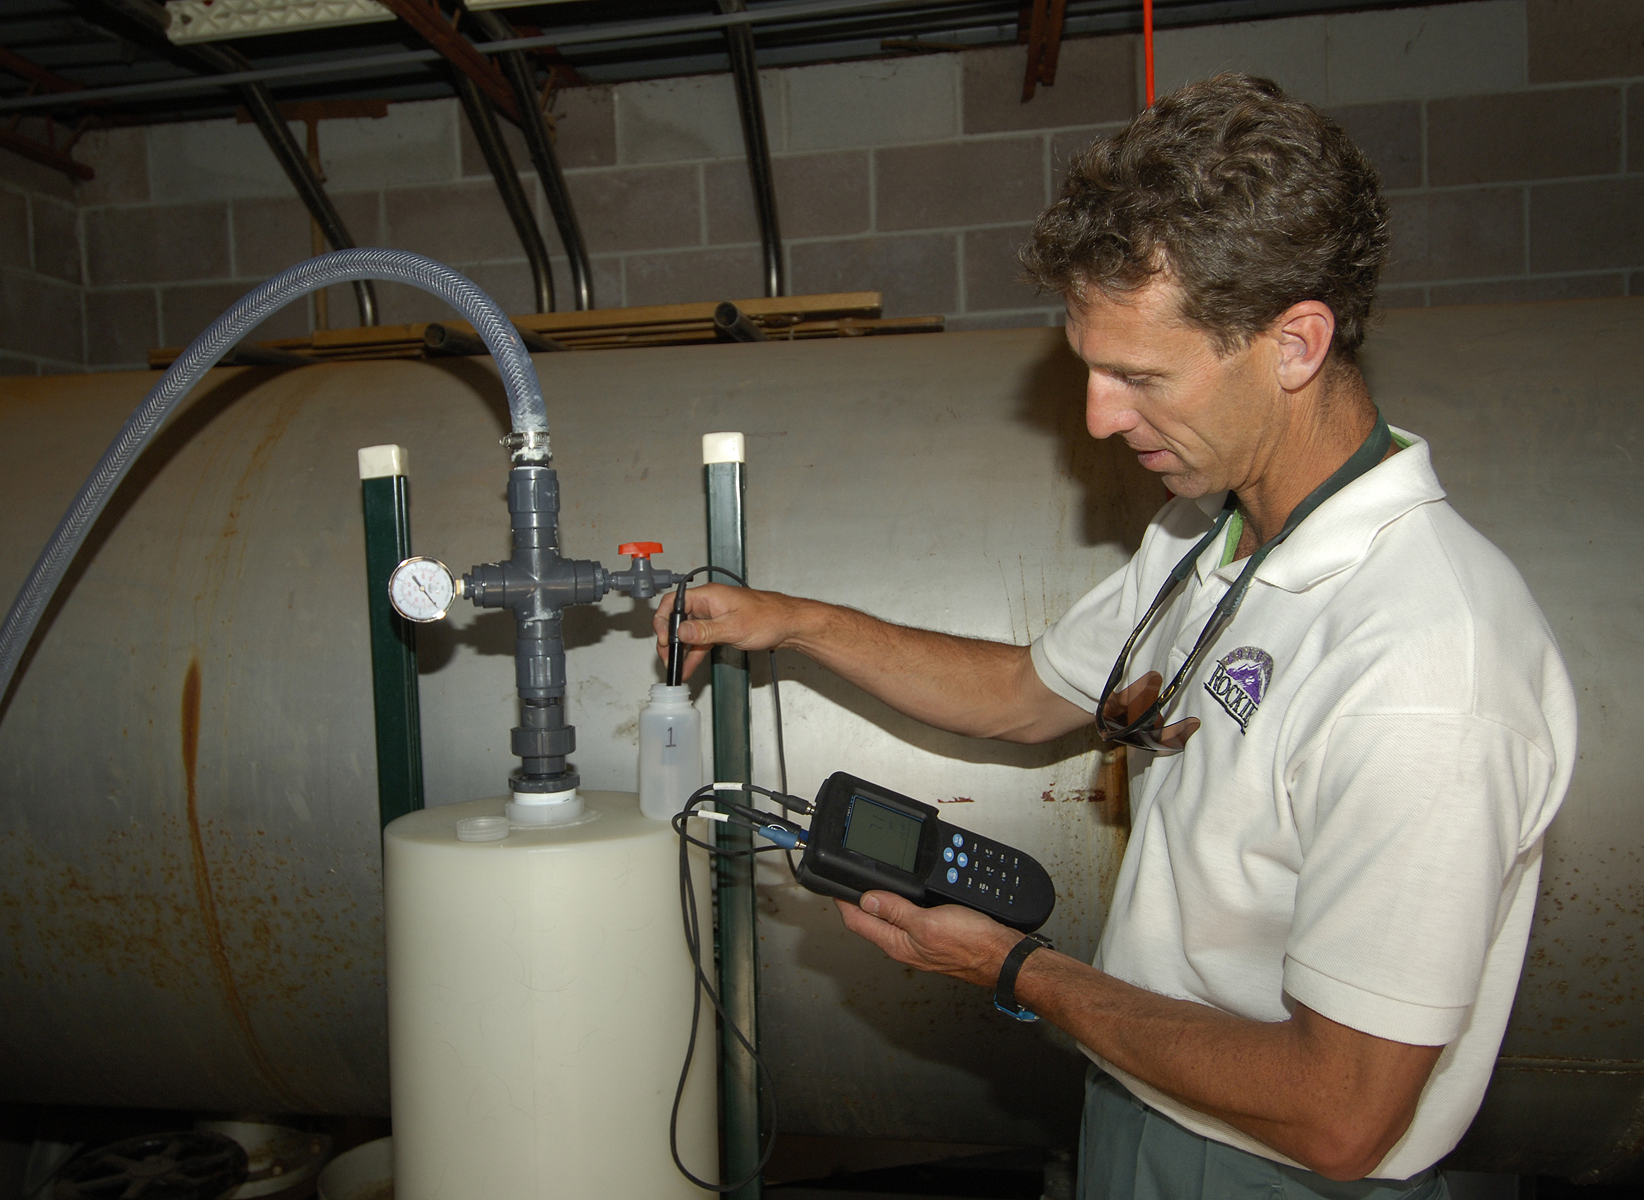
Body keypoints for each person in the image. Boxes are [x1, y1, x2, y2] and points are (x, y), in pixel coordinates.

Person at [655, 74, 1574, 1198]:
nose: (1096, 417)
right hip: (1142, 1103)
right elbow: (1024, 695)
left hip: (1275, 1168)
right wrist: (796, 623)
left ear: (1295, 343)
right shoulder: (1212, 532)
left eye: (1138, 376)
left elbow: (1343, 1116)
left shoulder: (1426, 664)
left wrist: (1019, 971)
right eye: (1089, 368)